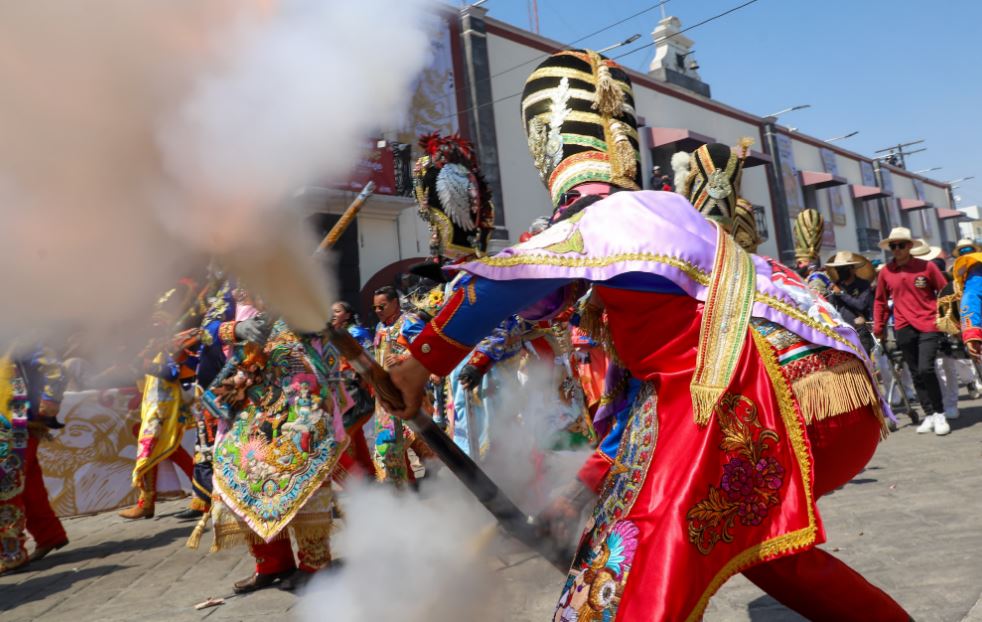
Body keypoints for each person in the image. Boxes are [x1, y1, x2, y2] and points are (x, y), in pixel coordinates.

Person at [384, 48, 907, 621]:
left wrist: (417, 364)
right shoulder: (675, 235)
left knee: (632, 557)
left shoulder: (612, 219)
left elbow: (515, 279)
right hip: (832, 401)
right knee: (761, 544)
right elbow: (640, 415)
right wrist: (573, 496)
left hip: (759, 399)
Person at [190, 317, 350, 593]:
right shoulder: (232, 295)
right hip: (253, 415)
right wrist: (236, 328)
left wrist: (313, 322)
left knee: (305, 480)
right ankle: (271, 563)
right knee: (244, 476)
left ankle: (315, 564)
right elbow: (204, 333)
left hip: (302, 409)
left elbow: (330, 345)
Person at [0, 343, 69, 574]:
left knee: (6, 488)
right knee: (28, 484)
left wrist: (50, 399)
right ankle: (49, 534)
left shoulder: (19, 336)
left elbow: (56, 369)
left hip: (15, 422)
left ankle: (11, 553)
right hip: (12, 421)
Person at [874, 227, 950, 435]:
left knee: (926, 368)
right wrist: (879, 327)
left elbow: (945, 293)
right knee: (915, 372)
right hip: (903, 327)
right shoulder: (886, 272)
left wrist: (948, 320)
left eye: (900, 245)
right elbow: (880, 301)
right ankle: (929, 414)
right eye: (893, 246)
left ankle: (940, 412)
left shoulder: (927, 267)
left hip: (929, 324)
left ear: (910, 246)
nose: (896, 249)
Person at [371, 285, 426, 484]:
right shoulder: (380, 327)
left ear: (395, 303)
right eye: (375, 308)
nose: (378, 311)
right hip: (385, 392)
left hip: (408, 390)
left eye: (382, 306)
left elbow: (426, 348)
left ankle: (437, 476)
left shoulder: (408, 322)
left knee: (419, 437)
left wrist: (403, 357)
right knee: (389, 439)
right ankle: (397, 482)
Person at [826, 251, 875, 353]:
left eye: (843, 269)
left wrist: (841, 294)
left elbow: (861, 305)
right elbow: (830, 309)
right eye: (838, 269)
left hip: (859, 331)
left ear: (852, 269)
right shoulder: (836, 286)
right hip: (841, 333)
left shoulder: (863, 285)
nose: (840, 272)